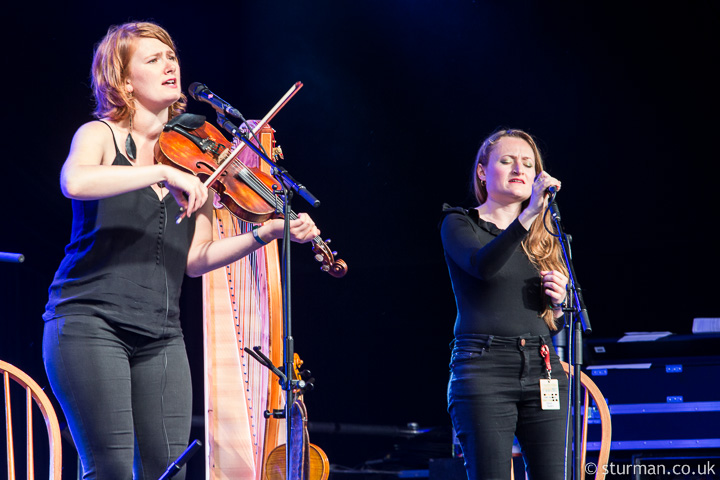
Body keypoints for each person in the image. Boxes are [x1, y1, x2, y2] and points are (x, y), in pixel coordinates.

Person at [42, 22, 319, 480]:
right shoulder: (100, 135)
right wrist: (160, 176)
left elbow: (196, 259)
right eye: (153, 60)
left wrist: (265, 232)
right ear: (125, 81)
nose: (169, 65)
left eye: (170, 56)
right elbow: (75, 181)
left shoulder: (195, 159)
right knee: (110, 469)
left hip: (161, 333)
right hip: (88, 321)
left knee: (169, 472)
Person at [440, 129, 570, 480]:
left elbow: (551, 321)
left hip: (543, 367)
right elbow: (483, 267)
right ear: (483, 171)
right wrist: (526, 216)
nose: (520, 169)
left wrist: (558, 302)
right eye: (507, 160)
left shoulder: (547, 235)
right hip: (484, 366)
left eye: (528, 163)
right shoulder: (459, 222)